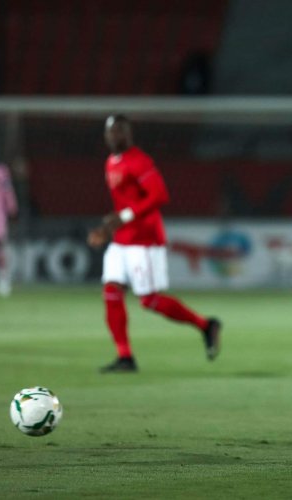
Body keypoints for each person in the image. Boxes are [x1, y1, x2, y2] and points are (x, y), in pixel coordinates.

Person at [87, 115, 221, 373]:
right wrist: (106, 229)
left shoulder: (139, 161)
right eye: (110, 133)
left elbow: (160, 195)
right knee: (111, 293)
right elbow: (122, 206)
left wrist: (124, 217)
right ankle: (125, 357)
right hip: (121, 240)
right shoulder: (111, 162)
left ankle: (205, 325)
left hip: (144, 240)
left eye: (118, 132)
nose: (114, 137)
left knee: (149, 300)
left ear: (128, 134)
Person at [0, 145, 18, 297]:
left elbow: (7, 190)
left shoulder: (0, 171)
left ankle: (3, 280)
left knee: (0, 247)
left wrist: (11, 206)